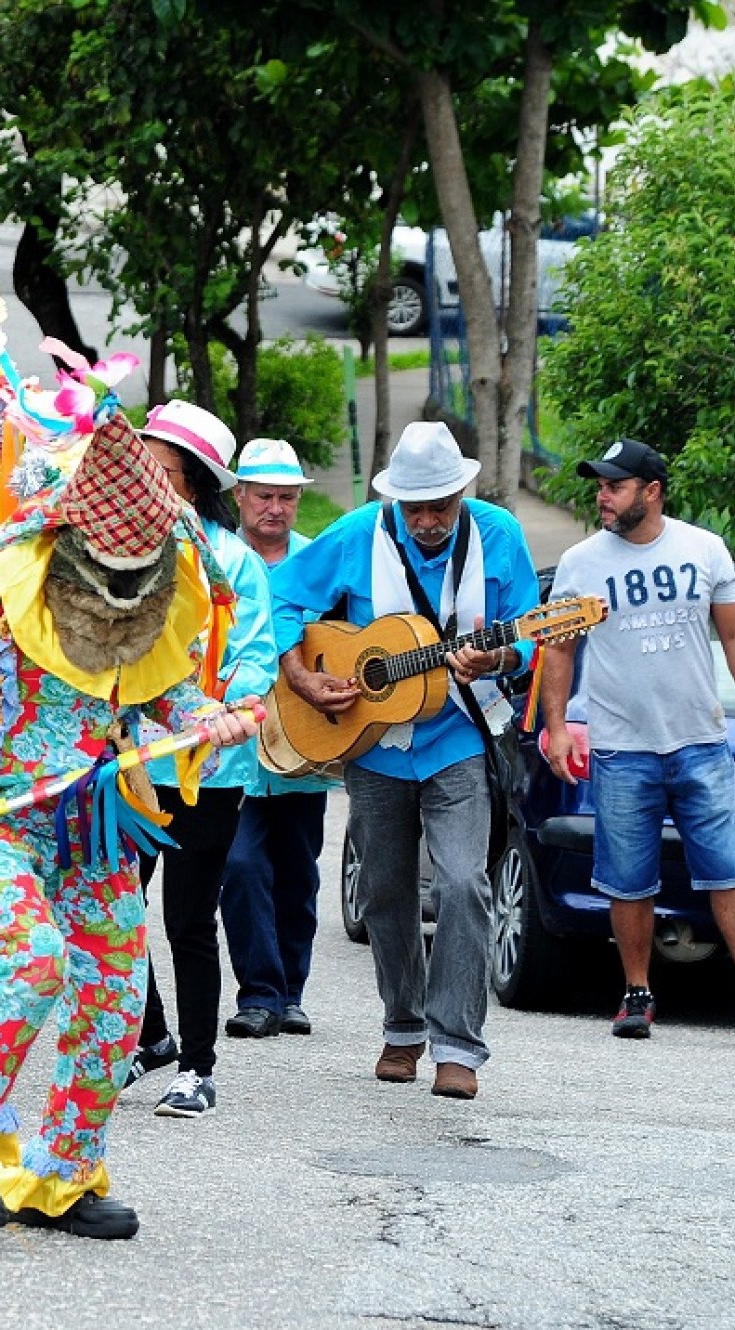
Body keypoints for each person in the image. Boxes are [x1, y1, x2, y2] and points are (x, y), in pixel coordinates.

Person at [0, 411, 260, 1240]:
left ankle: (60, 1177)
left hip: (89, 821)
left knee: (113, 993)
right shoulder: (0, 577)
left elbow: (156, 686)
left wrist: (206, 716)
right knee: (28, 960)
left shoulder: (161, 570)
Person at [269, 422, 539, 1101]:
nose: (425, 521)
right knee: (384, 892)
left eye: (438, 507)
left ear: (461, 494)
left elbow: (530, 631)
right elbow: (281, 596)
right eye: (413, 508)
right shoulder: (358, 533)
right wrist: (302, 676)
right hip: (372, 744)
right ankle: (402, 1025)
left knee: (462, 885)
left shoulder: (499, 535)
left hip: (459, 737)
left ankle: (457, 1046)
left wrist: (500, 656)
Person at [536, 438, 735, 1042]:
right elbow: (559, 650)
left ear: (651, 492)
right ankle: (636, 992)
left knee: (726, 871)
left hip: (700, 743)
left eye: (615, 486)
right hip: (621, 748)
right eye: (600, 486)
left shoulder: (703, 549)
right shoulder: (580, 562)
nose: (602, 497)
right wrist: (556, 727)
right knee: (628, 878)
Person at [127, 403, 276, 1120]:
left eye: (158, 469)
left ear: (193, 481)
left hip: (206, 771)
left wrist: (226, 713)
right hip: (129, 763)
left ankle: (196, 1067)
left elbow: (254, 657)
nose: (142, 479)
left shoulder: (234, 561)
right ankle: (151, 1035)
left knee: (187, 919)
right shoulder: (121, 548)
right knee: (112, 910)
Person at [218, 438, 339, 1039]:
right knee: (240, 867)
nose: (275, 508)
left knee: (297, 871)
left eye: (287, 498)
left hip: (303, 745)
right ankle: (259, 994)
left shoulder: (320, 562)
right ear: (239, 495)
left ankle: (290, 993)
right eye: (264, 495)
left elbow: (346, 638)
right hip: (234, 749)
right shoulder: (215, 560)